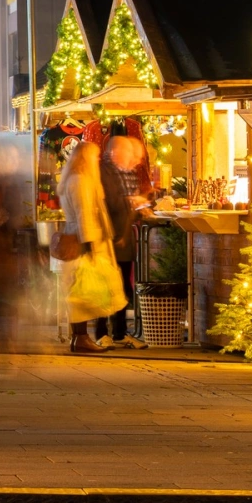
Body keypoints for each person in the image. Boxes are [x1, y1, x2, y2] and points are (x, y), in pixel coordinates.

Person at [57, 140, 116, 354]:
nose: (98, 160)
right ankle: (81, 337)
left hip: (74, 238)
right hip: (82, 241)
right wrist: (89, 244)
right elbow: (84, 214)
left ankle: (78, 337)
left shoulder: (71, 179)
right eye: (95, 156)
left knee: (78, 292)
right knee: (84, 292)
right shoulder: (81, 181)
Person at [97, 133, 150, 349]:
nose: (134, 159)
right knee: (105, 287)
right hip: (110, 238)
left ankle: (119, 332)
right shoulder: (105, 172)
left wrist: (138, 206)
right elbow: (108, 203)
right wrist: (131, 203)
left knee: (120, 289)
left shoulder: (125, 173)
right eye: (129, 152)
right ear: (117, 152)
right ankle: (102, 332)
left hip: (123, 239)